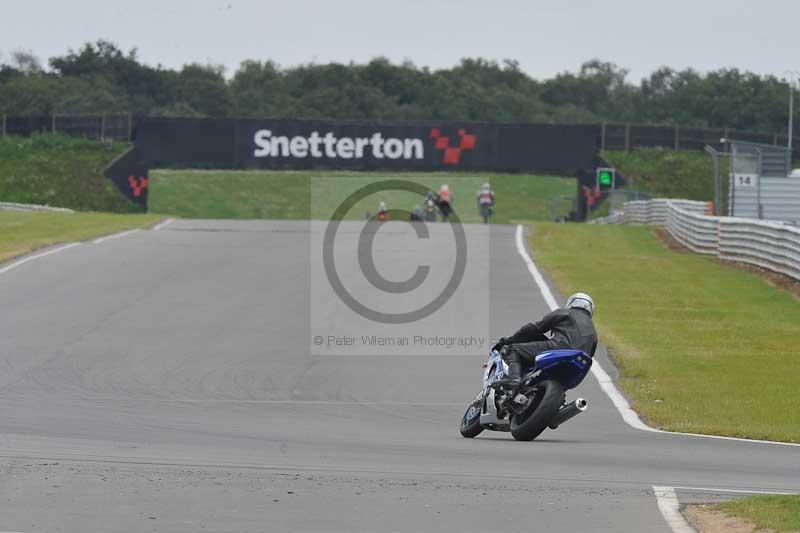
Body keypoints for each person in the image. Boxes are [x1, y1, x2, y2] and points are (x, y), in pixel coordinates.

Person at [494, 293, 598, 388]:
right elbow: (591, 353)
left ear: (572, 303)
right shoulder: (594, 331)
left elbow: (535, 328)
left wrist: (509, 341)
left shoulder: (566, 312)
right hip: (579, 364)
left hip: (558, 349)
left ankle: (514, 379)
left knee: (512, 350)